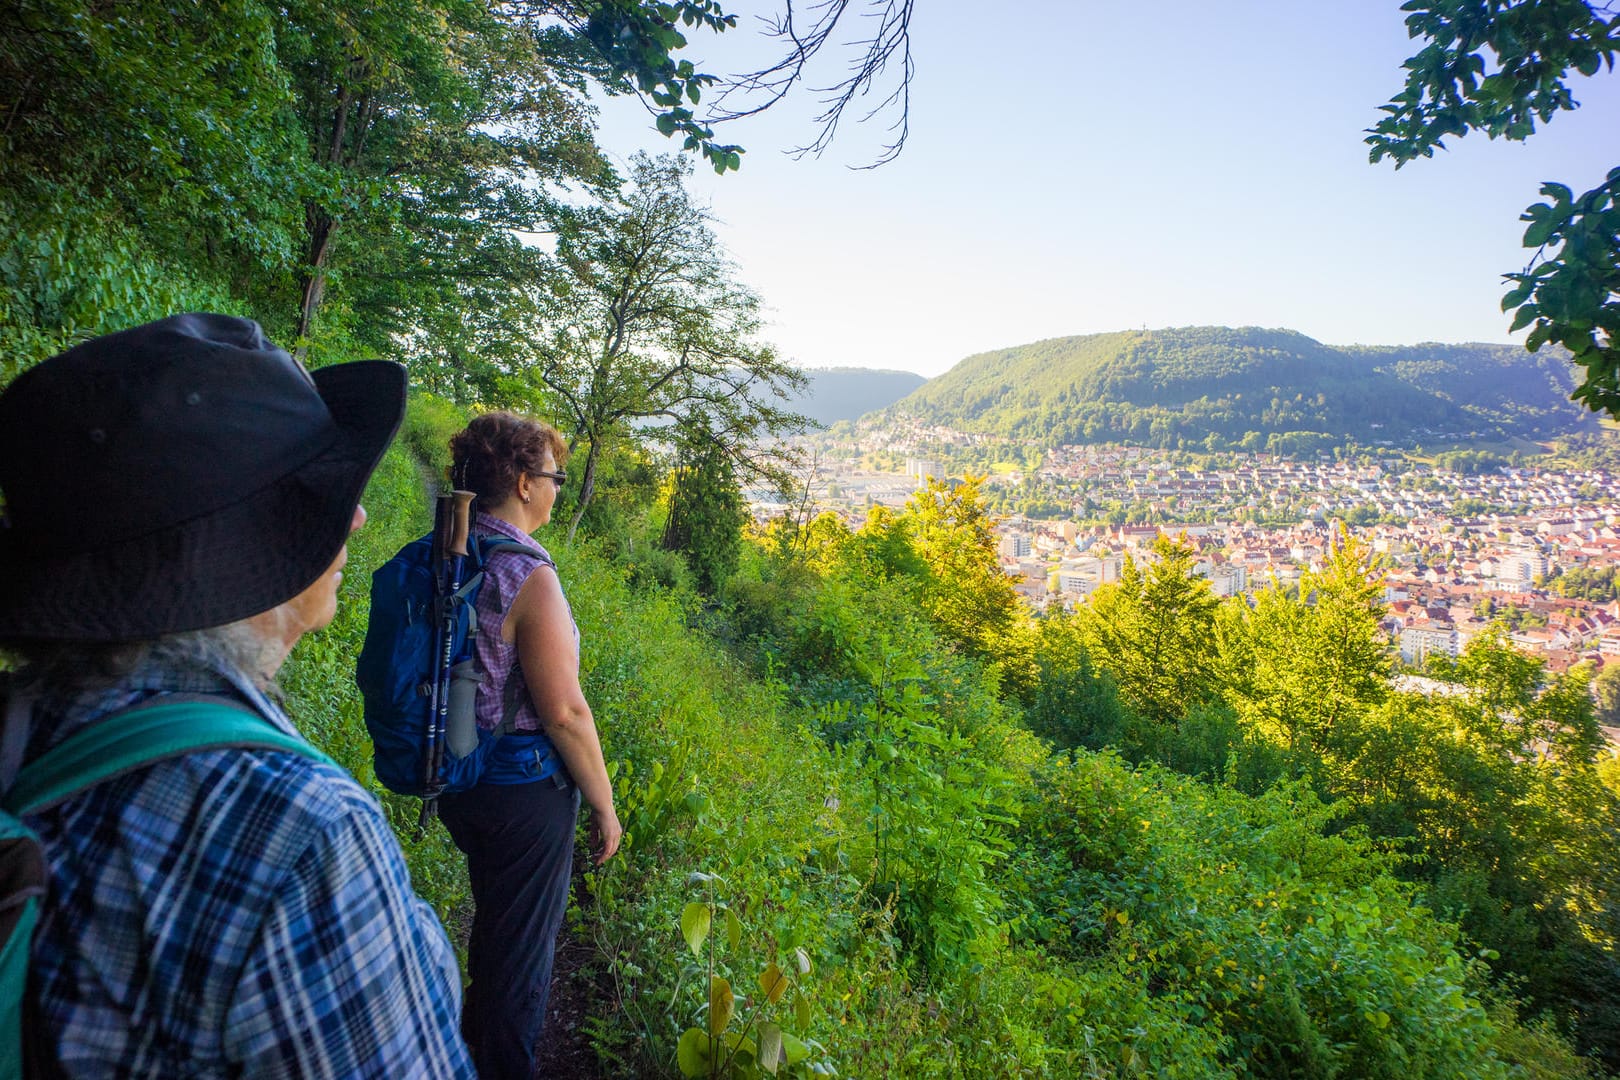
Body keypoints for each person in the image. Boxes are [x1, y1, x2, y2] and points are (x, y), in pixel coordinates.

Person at [0, 314, 474, 1077]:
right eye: (314, 499)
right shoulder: (301, 831)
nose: (353, 517)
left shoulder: (21, 724)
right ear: (242, 554)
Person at [436, 411, 621, 1079]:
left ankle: (464, 1055)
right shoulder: (530, 576)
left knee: (497, 934)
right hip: (522, 793)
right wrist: (604, 804)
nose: (558, 488)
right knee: (521, 967)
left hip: (462, 776)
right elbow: (567, 712)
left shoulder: (455, 546)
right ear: (521, 482)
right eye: (554, 476)